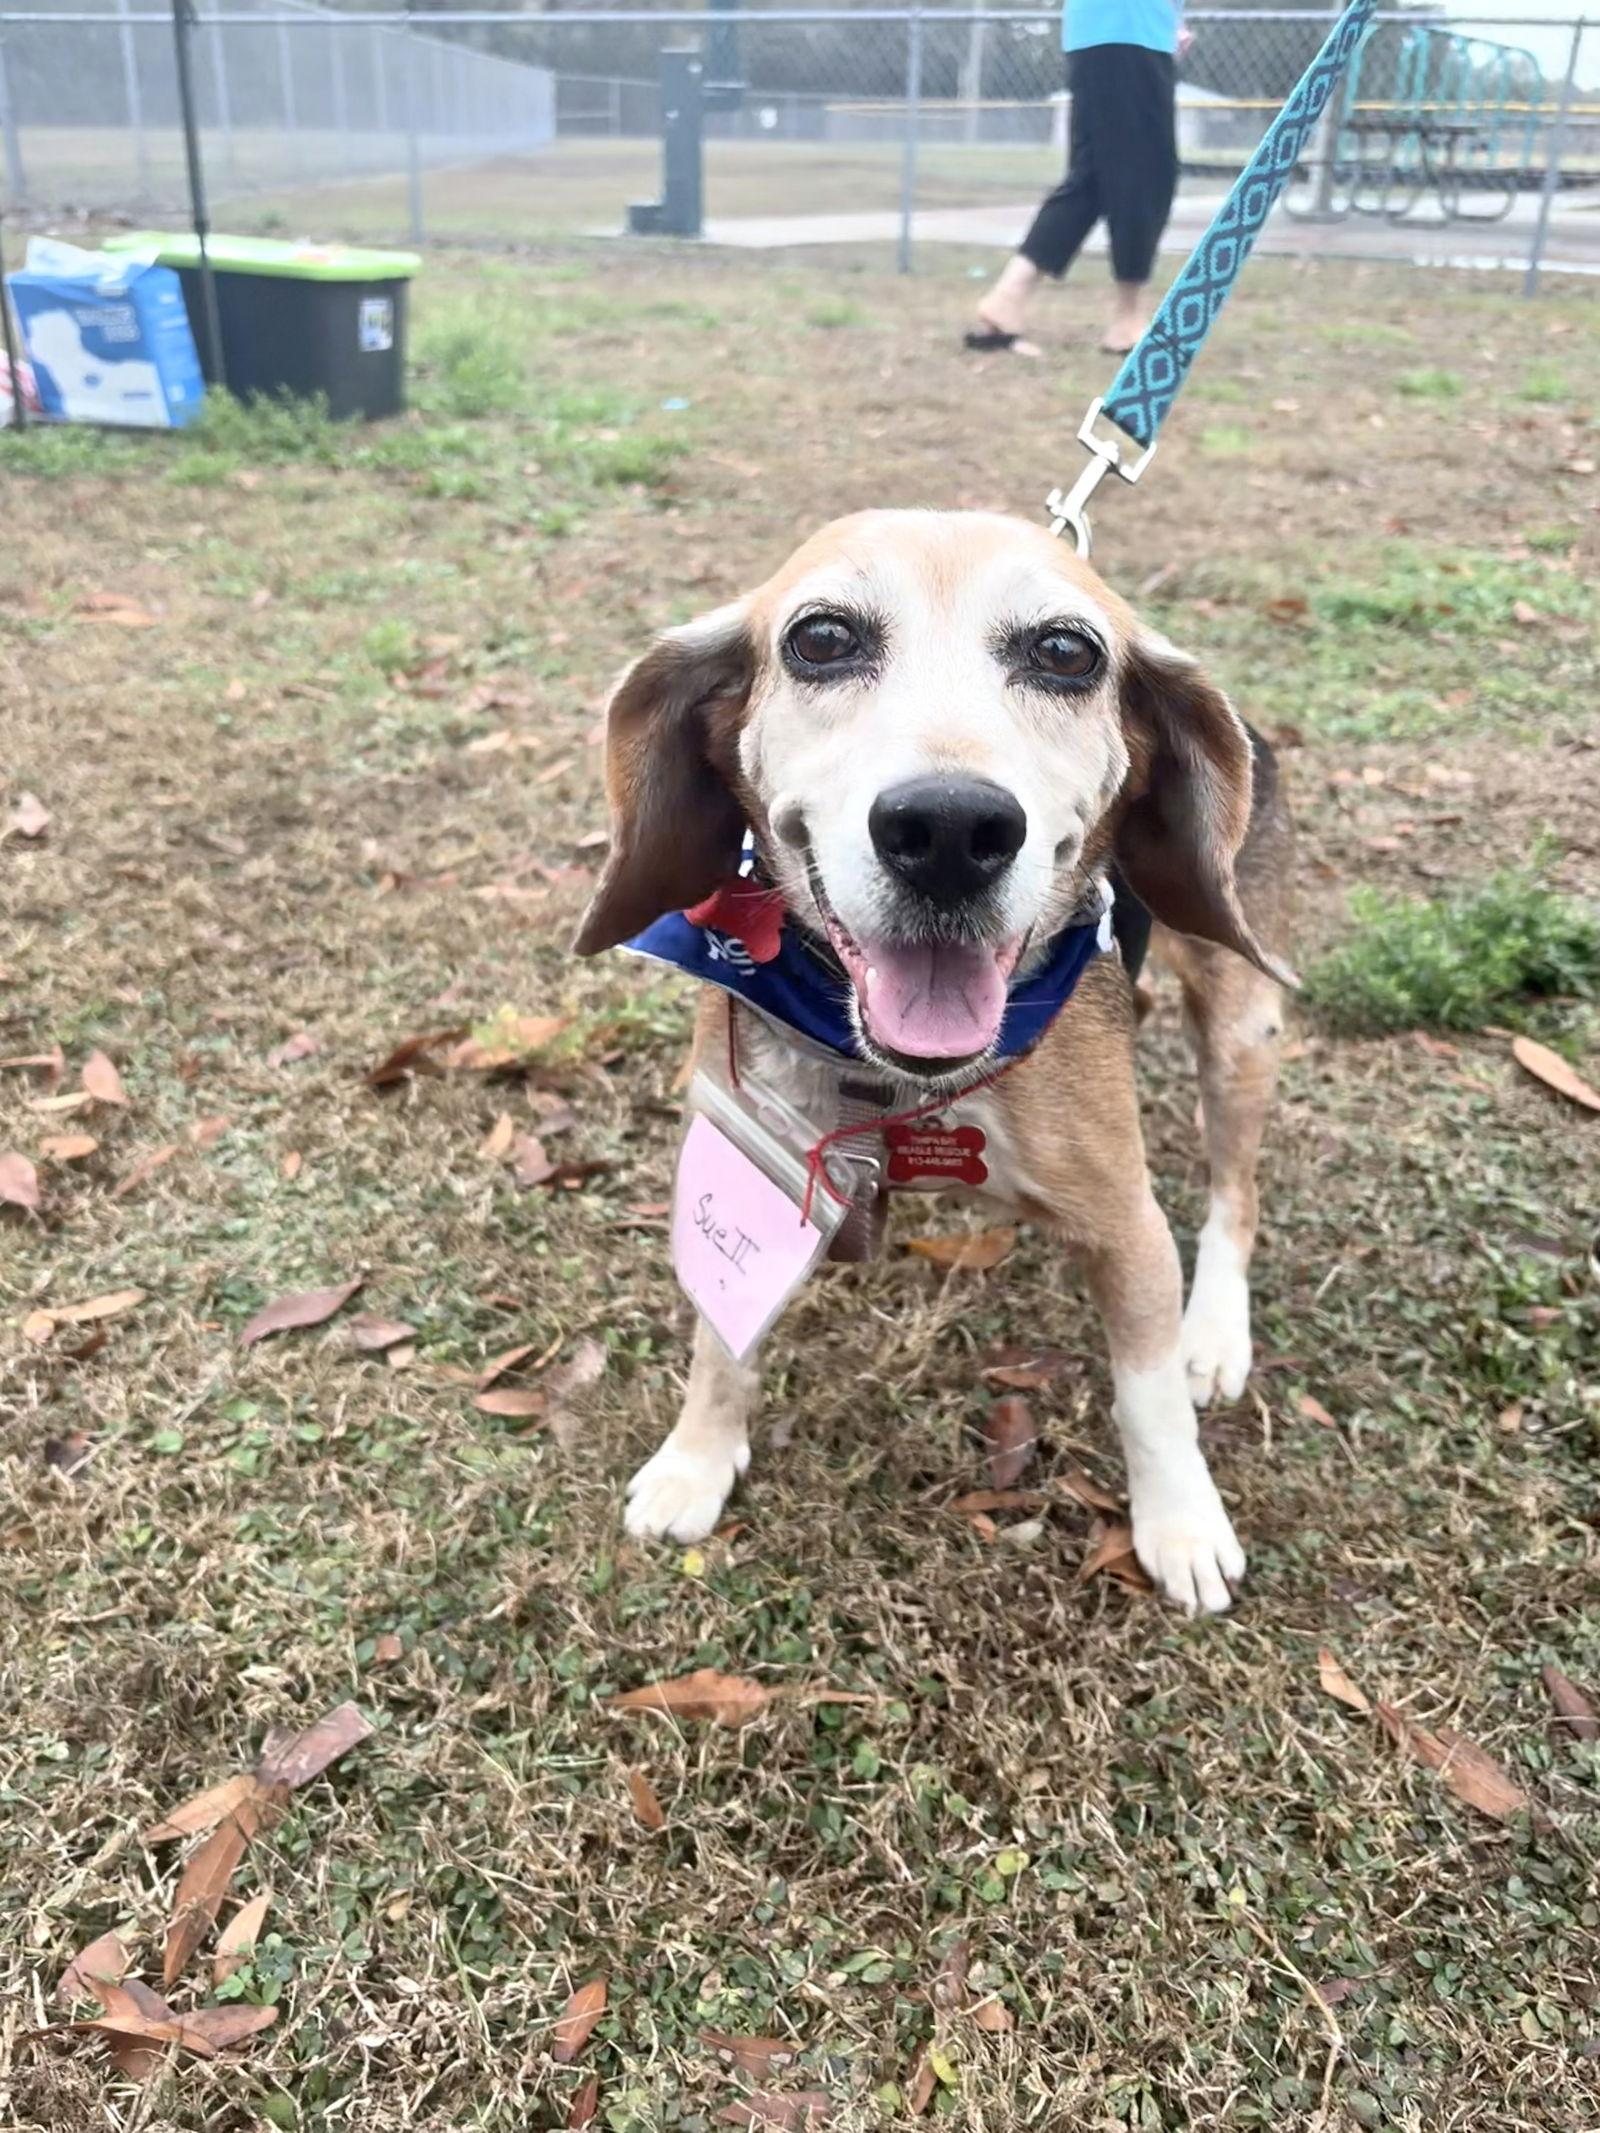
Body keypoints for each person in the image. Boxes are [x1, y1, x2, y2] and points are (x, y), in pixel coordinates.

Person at [968, 0, 1185, 356]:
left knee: (1095, 178)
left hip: (1122, 29)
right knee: (1143, 175)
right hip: (1127, 25)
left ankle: (1008, 296)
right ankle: (1127, 320)